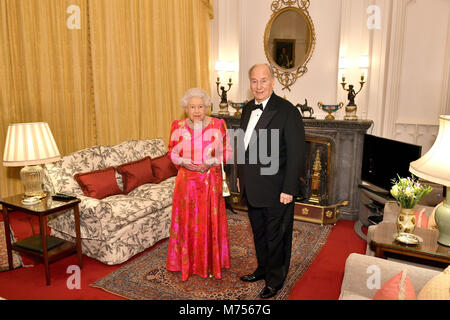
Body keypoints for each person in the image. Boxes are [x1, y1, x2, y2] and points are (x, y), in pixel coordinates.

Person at [237, 63, 306, 299]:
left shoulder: (287, 111)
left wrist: (289, 188)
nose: (258, 86)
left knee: (277, 235)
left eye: (263, 80)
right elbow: (242, 146)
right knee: (259, 233)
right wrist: (239, 178)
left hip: (277, 188)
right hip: (252, 187)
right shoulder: (247, 109)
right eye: (254, 81)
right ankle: (263, 269)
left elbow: (297, 153)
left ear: (273, 82)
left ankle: (275, 280)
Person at [166, 88, 232, 281]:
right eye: (192, 107)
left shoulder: (218, 124)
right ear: (186, 108)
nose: (196, 110)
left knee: (208, 222)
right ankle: (187, 263)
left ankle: (211, 262)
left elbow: (227, 152)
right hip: (186, 184)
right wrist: (182, 161)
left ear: (207, 107)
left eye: (200, 106)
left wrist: (210, 162)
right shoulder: (177, 126)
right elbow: (171, 152)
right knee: (188, 222)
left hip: (210, 181)